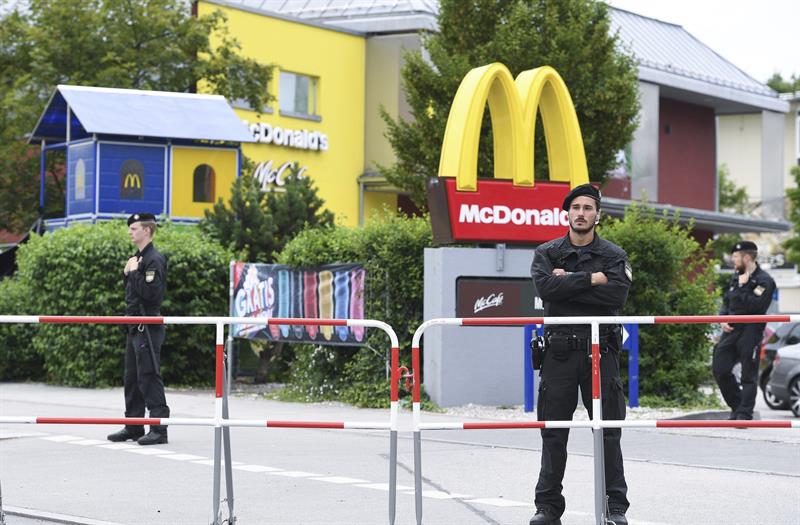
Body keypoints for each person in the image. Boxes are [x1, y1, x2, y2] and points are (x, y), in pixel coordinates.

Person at [529, 184, 632, 525]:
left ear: (598, 215)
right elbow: (547, 291)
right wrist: (593, 279)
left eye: (588, 208)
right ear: (567, 213)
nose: (582, 213)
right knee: (554, 431)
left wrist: (570, 280)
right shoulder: (547, 252)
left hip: (600, 352)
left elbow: (615, 297)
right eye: (576, 208)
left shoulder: (615, 256)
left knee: (607, 431)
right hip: (558, 353)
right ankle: (547, 508)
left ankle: (614, 508)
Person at [107, 213, 170, 446]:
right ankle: (133, 426)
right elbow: (132, 293)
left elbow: (153, 295)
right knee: (132, 377)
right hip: (134, 325)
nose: (130, 232)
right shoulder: (137, 258)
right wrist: (129, 273)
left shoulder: (154, 259)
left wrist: (133, 273)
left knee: (149, 375)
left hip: (148, 324)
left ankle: (159, 429)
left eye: (134, 228)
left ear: (147, 230)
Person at [712, 241, 775, 421]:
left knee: (748, 374)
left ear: (747, 258)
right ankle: (738, 406)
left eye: (736, 257)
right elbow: (727, 301)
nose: (733, 260)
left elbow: (756, 306)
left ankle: (744, 415)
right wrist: (722, 318)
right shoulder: (736, 277)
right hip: (731, 330)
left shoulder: (764, 281)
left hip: (751, 330)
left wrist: (743, 286)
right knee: (720, 368)